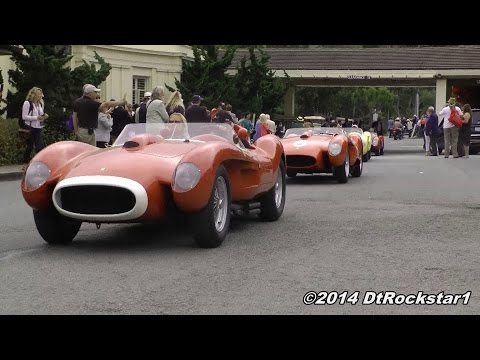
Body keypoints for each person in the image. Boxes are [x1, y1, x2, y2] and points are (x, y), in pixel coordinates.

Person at [22, 87, 48, 165]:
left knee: (39, 146)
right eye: (39, 94)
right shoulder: (27, 103)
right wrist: (36, 118)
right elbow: (24, 117)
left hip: (39, 127)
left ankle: (38, 163)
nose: (41, 95)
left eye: (41, 94)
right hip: (30, 128)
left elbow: (41, 115)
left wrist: (44, 116)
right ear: (34, 95)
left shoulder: (41, 103)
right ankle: (25, 162)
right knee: (29, 146)